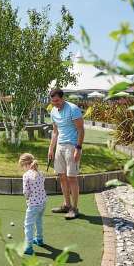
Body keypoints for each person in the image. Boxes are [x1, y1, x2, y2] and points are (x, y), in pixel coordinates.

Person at [48, 88, 85, 219]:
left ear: (62, 98)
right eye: (53, 101)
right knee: (62, 177)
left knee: (72, 178)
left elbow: (81, 130)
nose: (55, 103)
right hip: (60, 147)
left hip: (72, 146)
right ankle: (66, 205)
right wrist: (51, 148)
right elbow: (55, 132)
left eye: (57, 101)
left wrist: (78, 149)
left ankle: (75, 209)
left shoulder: (73, 109)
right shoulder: (53, 111)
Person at [19, 153, 47, 255]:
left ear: (25, 164)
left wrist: (27, 199)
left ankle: (29, 246)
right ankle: (39, 239)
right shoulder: (40, 173)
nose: (23, 169)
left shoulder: (26, 175)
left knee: (28, 225)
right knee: (38, 220)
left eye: (22, 166)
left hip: (33, 205)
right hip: (43, 202)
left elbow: (26, 192)